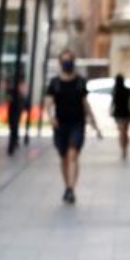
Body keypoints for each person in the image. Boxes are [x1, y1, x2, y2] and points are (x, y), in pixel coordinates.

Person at [46, 50, 103, 204]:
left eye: (69, 60)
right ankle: (67, 187)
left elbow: (86, 104)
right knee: (64, 158)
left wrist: (94, 124)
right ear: (60, 63)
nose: (67, 63)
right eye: (64, 61)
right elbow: (48, 104)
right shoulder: (54, 83)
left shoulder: (80, 82)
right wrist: (51, 118)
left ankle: (71, 188)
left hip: (77, 124)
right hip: (60, 125)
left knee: (72, 155)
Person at [110, 75, 130, 160]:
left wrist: (110, 110)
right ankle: (125, 148)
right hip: (127, 113)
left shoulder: (115, 91)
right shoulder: (127, 90)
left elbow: (113, 103)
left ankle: (123, 149)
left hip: (119, 114)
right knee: (125, 132)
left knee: (121, 132)